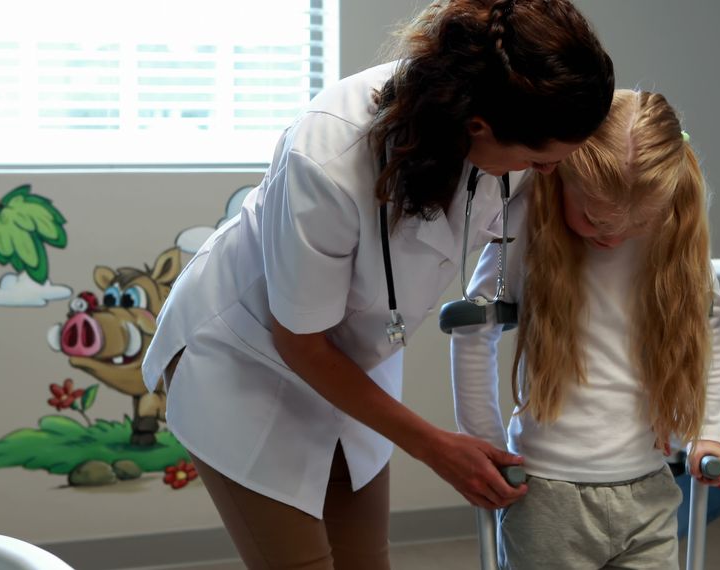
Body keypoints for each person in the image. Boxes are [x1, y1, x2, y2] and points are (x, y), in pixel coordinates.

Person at [140, 0, 614, 568]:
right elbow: (300, 343)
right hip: (249, 360)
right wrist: (434, 446)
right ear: (478, 127)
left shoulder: (505, 118)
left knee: (366, 560)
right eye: (540, 163)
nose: (547, 175)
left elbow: (638, 145)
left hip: (353, 356)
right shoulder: (327, 158)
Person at [451, 89, 720, 570]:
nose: (614, 236)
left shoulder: (671, 228)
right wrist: (485, 441)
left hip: (649, 486)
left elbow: (709, 324)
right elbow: (473, 327)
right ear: (562, 175)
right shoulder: (527, 222)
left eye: (635, 223)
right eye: (595, 218)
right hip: (548, 495)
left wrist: (709, 432)